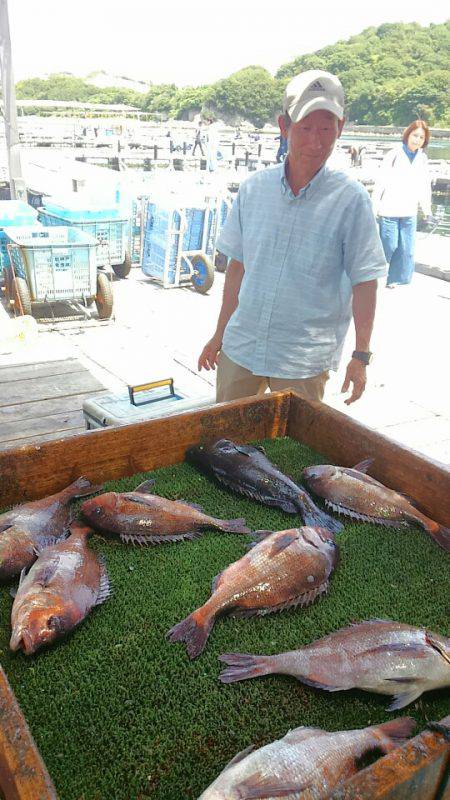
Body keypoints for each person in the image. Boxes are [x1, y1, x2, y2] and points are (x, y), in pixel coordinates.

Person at [197, 70, 387, 405]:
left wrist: (361, 355)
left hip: (303, 359)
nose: (316, 141)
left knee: (296, 453)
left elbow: (365, 281)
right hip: (242, 344)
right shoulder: (253, 189)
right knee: (224, 441)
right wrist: (219, 334)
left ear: (340, 129)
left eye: (327, 128)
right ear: (284, 127)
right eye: (306, 128)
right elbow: (237, 269)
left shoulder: (352, 200)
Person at [372, 120, 432, 288]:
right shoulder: (394, 154)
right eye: (415, 135)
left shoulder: (422, 158)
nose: (417, 139)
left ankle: (394, 279)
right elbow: (381, 182)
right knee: (389, 245)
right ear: (408, 134)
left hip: (409, 211)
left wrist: (427, 211)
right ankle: (371, 274)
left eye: (421, 137)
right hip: (389, 210)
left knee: (406, 249)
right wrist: (374, 207)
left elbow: (424, 186)